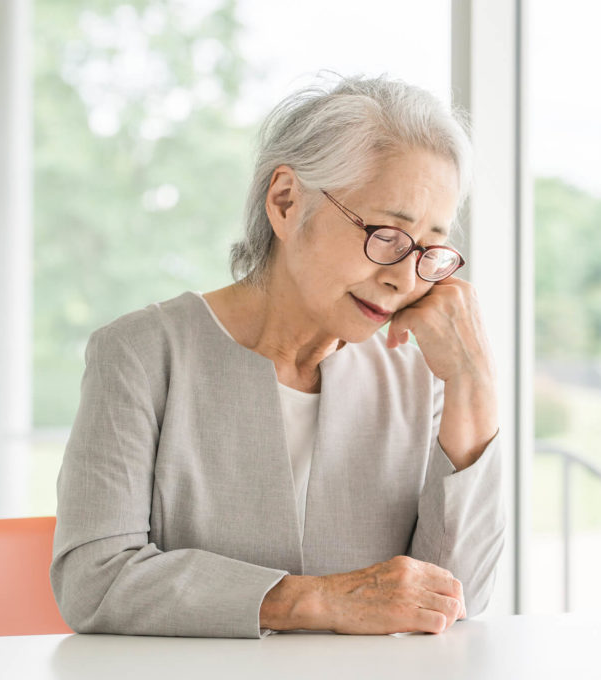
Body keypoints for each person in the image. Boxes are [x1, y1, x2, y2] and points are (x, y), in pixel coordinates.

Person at [50, 75, 505, 638]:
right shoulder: (142, 353)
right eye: (388, 234)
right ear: (286, 202)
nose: (403, 279)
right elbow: (93, 581)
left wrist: (473, 381)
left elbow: (454, 597)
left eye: (427, 249)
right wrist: (316, 600)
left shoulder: (421, 376)